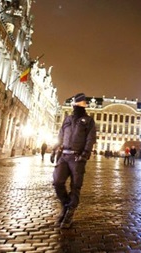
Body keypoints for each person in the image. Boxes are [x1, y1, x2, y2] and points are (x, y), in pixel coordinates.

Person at [50, 92, 96, 229]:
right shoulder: (68, 119)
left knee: (75, 186)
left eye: (82, 103)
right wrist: (54, 149)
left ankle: (70, 212)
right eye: (78, 103)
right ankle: (65, 205)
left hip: (77, 157)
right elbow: (60, 135)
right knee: (57, 181)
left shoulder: (88, 121)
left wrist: (85, 154)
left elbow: (90, 139)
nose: (79, 105)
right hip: (64, 155)